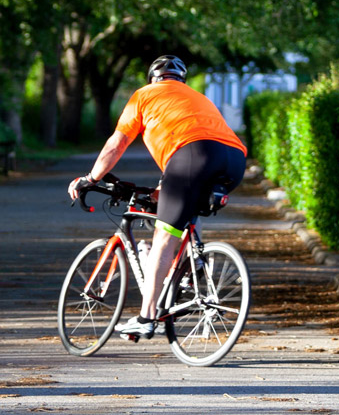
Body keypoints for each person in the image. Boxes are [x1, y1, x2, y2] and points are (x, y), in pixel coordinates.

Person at [68, 55, 246, 339]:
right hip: (234, 159)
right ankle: (192, 268)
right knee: (185, 209)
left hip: (191, 155)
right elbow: (188, 161)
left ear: (153, 77)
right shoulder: (197, 97)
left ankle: (146, 317)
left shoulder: (144, 95)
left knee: (164, 237)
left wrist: (91, 178)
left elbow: (117, 143)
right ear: (181, 80)